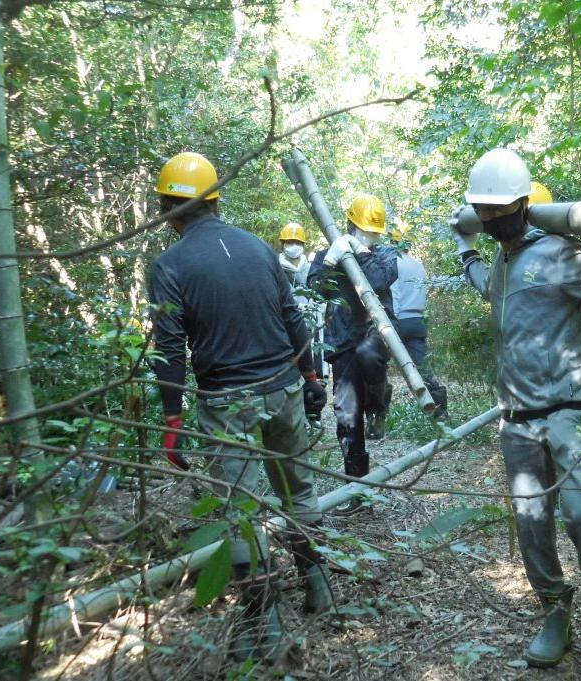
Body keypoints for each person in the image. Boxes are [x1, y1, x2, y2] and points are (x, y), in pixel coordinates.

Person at [451, 149, 581, 677]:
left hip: (569, 407)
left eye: (498, 210)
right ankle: (554, 609)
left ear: (523, 205)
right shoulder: (502, 258)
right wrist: (466, 251)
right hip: (517, 415)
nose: (491, 219)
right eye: (482, 211)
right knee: (530, 520)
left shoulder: (560, 254)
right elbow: (489, 290)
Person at [149, 152, 333, 663]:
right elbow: (292, 316)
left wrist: (172, 422)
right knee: (299, 492)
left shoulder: (170, 266)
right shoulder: (257, 247)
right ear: (214, 199)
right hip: (285, 388)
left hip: (227, 401)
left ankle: (263, 624)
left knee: (239, 513)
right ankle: (319, 588)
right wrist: (312, 376)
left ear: (168, 207)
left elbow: (169, 348)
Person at [307, 193, 397, 515]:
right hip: (342, 338)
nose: (368, 235)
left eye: (372, 232)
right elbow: (315, 287)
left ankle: (378, 400)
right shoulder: (331, 252)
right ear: (349, 224)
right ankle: (359, 493)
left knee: (369, 356)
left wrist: (361, 254)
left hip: (375, 333)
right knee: (346, 416)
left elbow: (380, 279)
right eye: (363, 230)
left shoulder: (385, 255)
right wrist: (331, 262)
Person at [388, 220, 448, 418]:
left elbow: (394, 294)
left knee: (379, 363)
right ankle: (440, 409)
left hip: (400, 320)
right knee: (422, 367)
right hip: (418, 319)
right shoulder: (418, 265)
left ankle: (378, 411)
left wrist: (391, 322)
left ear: (393, 242)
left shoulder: (393, 263)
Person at [278, 222, 328, 411]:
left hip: (312, 326)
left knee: (316, 369)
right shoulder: (275, 267)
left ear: (303, 245)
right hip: (286, 328)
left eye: (297, 242)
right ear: (283, 243)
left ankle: (314, 414)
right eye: (289, 241)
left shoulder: (311, 268)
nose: (293, 245)